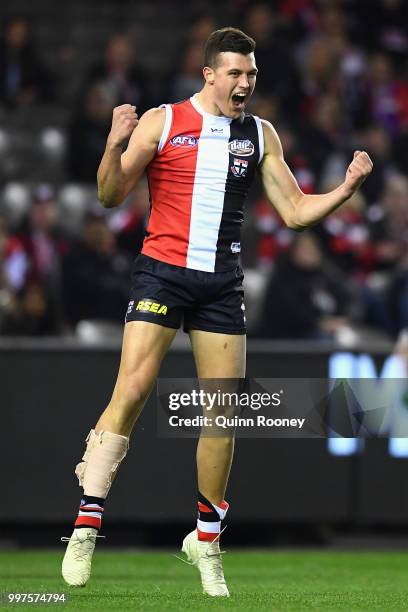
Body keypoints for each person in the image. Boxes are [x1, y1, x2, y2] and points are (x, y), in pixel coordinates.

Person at [61, 27, 372, 597]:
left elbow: (297, 212)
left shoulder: (260, 134)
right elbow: (109, 196)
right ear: (209, 74)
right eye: (234, 73)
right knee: (131, 391)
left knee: (222, 414)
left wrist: (345, 189)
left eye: (251, 74)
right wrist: (113, 143)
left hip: (221, 286)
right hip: (161, 273)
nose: (245, 83)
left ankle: (205, 541)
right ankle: (85, 527)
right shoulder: (164, 120)